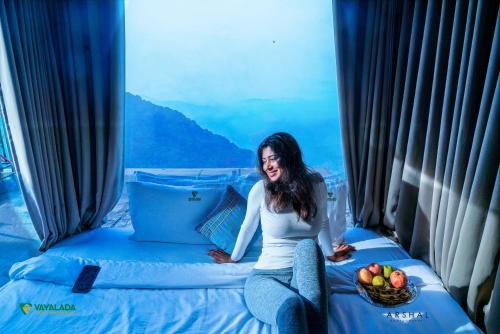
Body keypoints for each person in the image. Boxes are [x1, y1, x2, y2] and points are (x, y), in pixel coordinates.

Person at [208, 132, 355, 334]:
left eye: (273, 159)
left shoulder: (316, 184)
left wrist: (330, 254)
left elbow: (322, 222)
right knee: (292, 306)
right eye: (263, 161)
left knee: (308, 246)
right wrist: (234, 258)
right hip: (267, 278)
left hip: (306, 273)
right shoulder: (261, 190)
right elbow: (248, 227)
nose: (267, 166)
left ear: (289, 157)